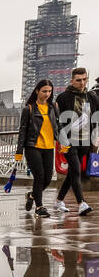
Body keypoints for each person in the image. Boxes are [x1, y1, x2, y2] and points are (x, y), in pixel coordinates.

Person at [53, 67, 97, 216]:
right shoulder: (63, 97)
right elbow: (58, 122)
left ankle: (59, 201)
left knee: (73, 172)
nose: (82, 83)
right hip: (68, 141)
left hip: (85, 141)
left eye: (85, 79)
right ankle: (81, 203)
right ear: (72, 81)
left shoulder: (91, 97)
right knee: (76, 170)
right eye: (79, 80)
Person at [15, 79, 60, 217]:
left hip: (48, 146)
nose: (47, 94)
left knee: (47, 178)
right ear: (37, 91)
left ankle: (32, 195)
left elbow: (58, 127)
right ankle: (39, 207)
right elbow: (22, 131)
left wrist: (63, 142)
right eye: (44, 91)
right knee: (39, 176)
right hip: (33, 146)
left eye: (49, 91)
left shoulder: (53, 107)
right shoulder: (28, 109)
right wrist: (19, 152)